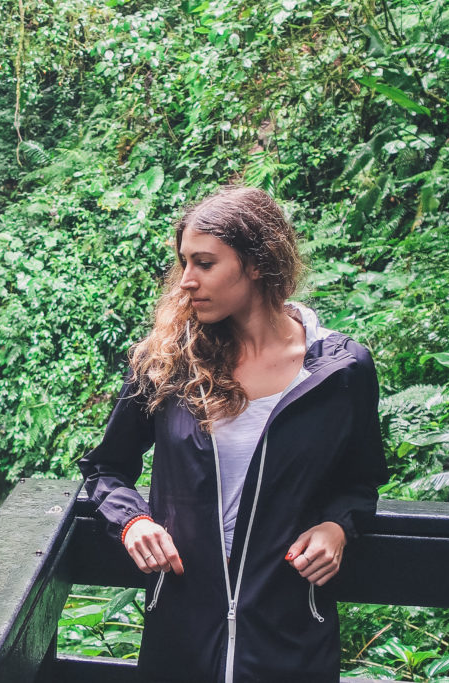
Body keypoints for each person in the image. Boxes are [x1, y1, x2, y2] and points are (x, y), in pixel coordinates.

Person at [78, 186, 387, 682]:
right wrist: (132, 521)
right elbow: (105, 468)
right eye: (184, 263)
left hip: (290, 635)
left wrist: (337, 527)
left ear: (257, 263)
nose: (185, 282)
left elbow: (360, 480)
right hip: (181, 635)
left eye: (204, 263)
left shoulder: (340, 372)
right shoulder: (166, 363)